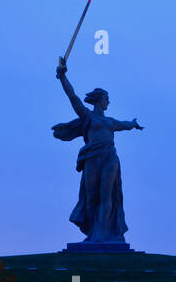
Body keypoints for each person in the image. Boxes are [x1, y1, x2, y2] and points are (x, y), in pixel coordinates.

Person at [52, 58, 143, 243]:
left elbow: (125, 125)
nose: (108, 101)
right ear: (100, 100)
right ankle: (93, 233)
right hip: (92, 158)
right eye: (107, 99)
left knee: (106, 195)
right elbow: (73, 97)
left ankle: (103, 233)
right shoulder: (88, 116)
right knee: (91, 196)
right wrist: (62, 76)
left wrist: (133, 124)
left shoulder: (110, 122)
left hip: (110, 158)